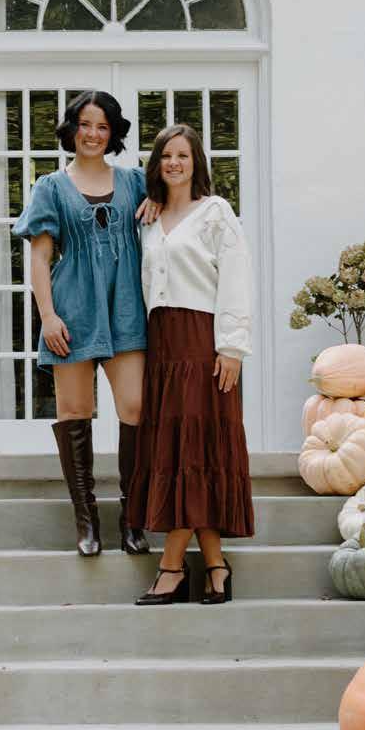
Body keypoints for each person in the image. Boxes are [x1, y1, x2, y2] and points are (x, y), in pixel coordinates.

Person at [13, 90, 156, 558]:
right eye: (85, 124)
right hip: (71, 311)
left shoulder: (135, 181)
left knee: (135, 407)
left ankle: (133, 519)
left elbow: (173, 212)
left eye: (102, 126)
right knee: (75, 411)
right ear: (72, 128)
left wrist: (159, 206)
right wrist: (48, 316)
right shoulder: (50, 187)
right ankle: (87, 521)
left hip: (126, 309)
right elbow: (39, 258)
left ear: (113, 133)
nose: (93, 134)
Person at [128, 123, 255, 605]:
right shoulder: (149, 217)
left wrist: (232, 347)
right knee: (179, 453)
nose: (174, 163)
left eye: (182, 155)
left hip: (204, 343)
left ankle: (172, 567)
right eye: (166, 155)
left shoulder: (216, 212)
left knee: (196, 452)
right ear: (157, 164)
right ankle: (216, 565)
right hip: (162, 346)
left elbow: (236, 278)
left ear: (196, 161)